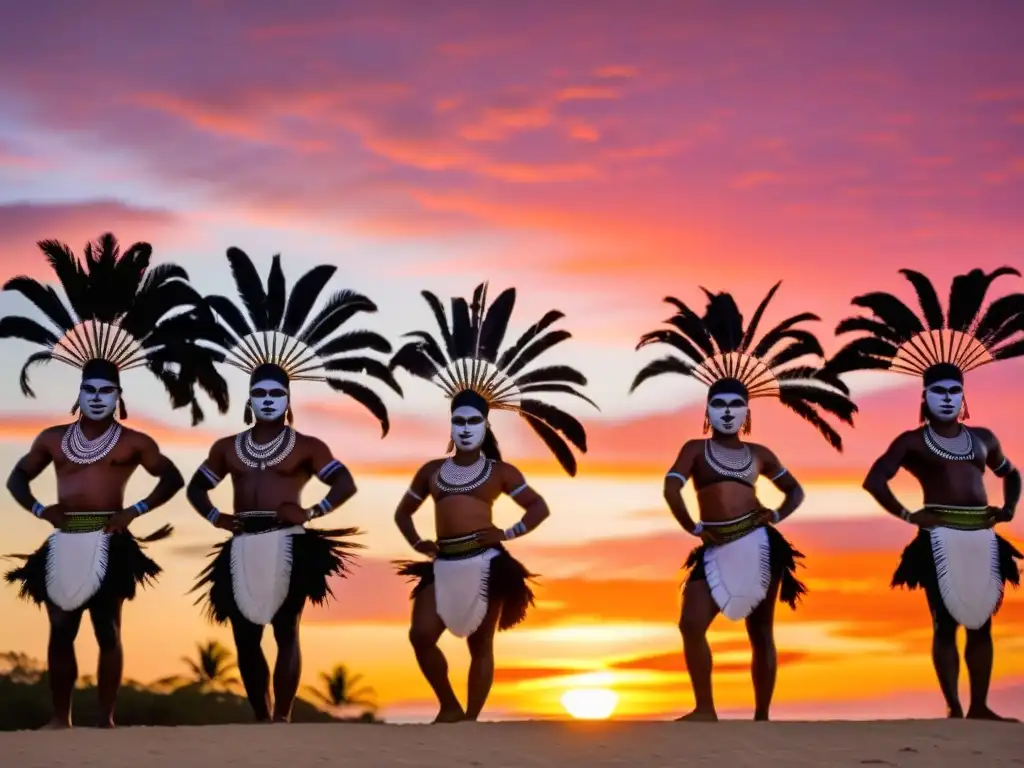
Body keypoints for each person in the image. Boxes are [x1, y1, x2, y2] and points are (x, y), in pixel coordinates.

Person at [1, 233, 227, 728]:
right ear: (77, 394)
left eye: (107, 390)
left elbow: (171, 479)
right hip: (64, 538)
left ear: (119, 394)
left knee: (107, 628)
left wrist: (134, 512)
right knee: (60, 630)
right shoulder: (52, 438)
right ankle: (61, 719)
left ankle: (104, 718)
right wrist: (41, 510)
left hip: (112, 536)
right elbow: (16, 481)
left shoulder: (134, 443)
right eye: (89, 389)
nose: (97, 397)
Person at [186, 246, 402, 723]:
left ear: (288, 401)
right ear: (249, 398)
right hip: (242, 540)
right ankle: (261, 717)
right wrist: (216, 517)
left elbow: (343, 485)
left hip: (290, 542)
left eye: (275, 394)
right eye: (259, 393)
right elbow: (196, 489)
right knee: (245, 637)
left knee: (286, 629)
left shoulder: (308, 446)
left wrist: (311, 513)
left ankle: (282, 716)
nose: (267, 399)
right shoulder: (226, 447)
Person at [630, 282, 857, 721]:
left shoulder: (761, 455)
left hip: (758, 544)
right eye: (719, 404)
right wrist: (692, 526)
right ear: (708, 410)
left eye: (736, 405)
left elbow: (795, 491)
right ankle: (705, 709)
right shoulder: (694, 449)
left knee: (761, 630)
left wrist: (776, 513)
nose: (728, 411)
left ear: (747, 411)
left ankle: (762, 717)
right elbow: (671, 485)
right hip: (713, 545)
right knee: (690, 624)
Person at [389, 281, 595, 723]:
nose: (465, 428)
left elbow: (537, 508)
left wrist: (508, 532)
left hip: (487, 562)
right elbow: (403, 512)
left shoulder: (501, 473)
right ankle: (448, 705)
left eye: (474, 421)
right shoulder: (431, 471)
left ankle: (470, 720)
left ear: (485, 425)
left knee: (480, 644)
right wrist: (418, 543)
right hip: (442, 563)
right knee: (421, 635)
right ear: (451, 424)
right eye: (458, 420)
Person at [825, 266, 1022, 721]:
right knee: (945, 620)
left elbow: (1012, 473)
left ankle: (979, 707)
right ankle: (955, 707)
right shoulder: (912, 442)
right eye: (939, 391)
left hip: (982, 536)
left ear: (964, 394)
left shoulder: (984, 438)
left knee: (982, 622)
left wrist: (1009, 506)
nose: (948, 398)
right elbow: (875, 479)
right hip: (937, 538)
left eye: (955, 390)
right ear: (925, 395)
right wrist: (910, 516)